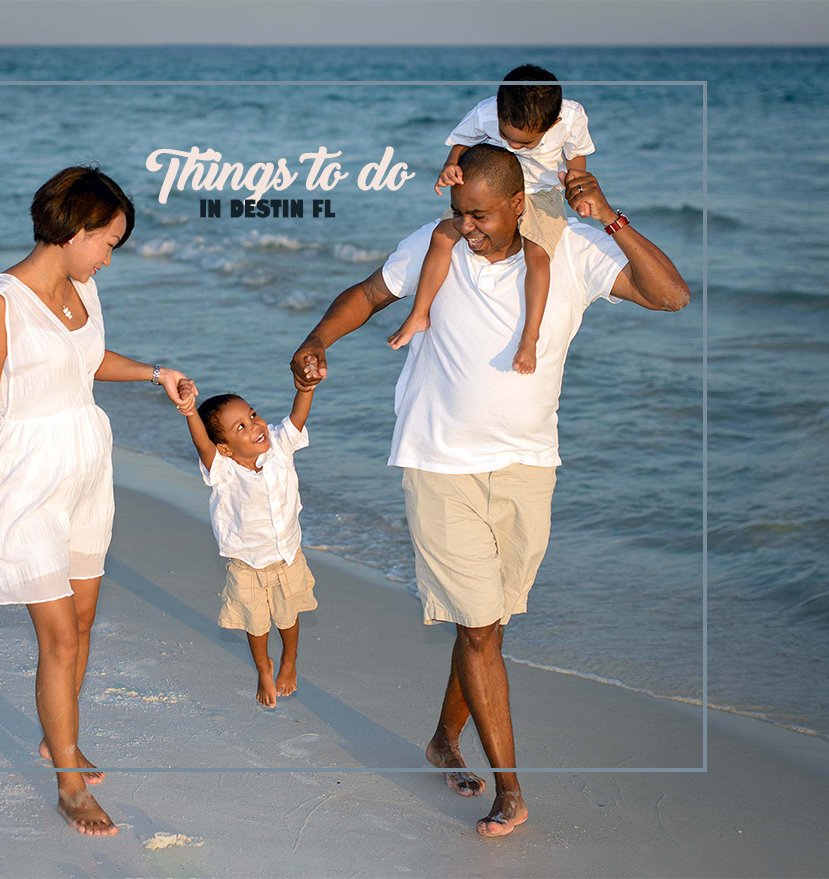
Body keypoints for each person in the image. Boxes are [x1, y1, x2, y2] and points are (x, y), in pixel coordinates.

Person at [291, 144, 688, 838]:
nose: (464, 226)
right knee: (478, 626)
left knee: (490, 623)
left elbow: (670, 295)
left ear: (515, 204)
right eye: (456, 213)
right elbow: (366, 294)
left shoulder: (572, 247)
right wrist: (317, 337)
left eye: (478, 215)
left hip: (529, 465)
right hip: (439, 461)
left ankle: (444, 739)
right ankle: (510, 791)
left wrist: (612, 218)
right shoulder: (434, 244)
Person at [0, 166, 195, 836]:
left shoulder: (82, 287)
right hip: (23, 478)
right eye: (107, 241)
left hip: (86, 462)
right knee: (57, 634)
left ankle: (60, 735)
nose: (110, 257)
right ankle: (67, 782)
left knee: (82, 620)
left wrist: (154, 372)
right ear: (76, 229)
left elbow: (81, 362)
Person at [387, 64, 596, 375]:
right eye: (506, 136)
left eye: (525, 144)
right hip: (492, 189)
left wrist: (575, 185)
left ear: (554, 123)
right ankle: (419, 312)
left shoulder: (572, 117)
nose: (513, 146)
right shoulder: (486, 113)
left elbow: (576, 157)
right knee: (441, 236)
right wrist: (451, 165)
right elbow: (461, 142)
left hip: (541, 192)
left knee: (538, 255)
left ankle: (529, 337)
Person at [174, 378, 318, 708]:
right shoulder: (222, 470)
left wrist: (306, 388)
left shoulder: (280, 447)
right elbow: (202, 444)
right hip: (246, 563)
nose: (255, 425)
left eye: (253, 415)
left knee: (288, 615)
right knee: (255, 622)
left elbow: (297, 417)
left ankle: (289, 661)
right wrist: (189, 411)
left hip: (286, 554)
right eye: (241, 426)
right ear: (225, 448)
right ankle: (263, 667)